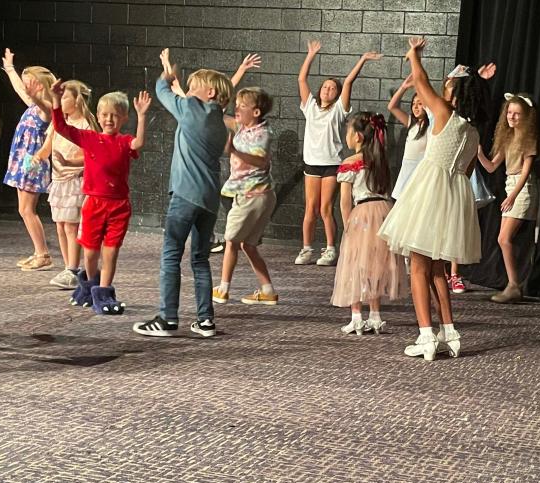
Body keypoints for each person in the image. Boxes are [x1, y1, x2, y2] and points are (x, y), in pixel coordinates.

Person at [378, 37, 491, 360]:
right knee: (437, 268)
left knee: (418, 267)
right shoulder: (473, 132)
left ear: (456, 93)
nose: (444, 89)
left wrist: (414, 55)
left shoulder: (444, 113)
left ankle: (426, 335)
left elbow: (422, 83)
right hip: (453, 194)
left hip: (430, 190)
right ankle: (450, 330)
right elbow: (467, 171)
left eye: (450, 85)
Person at [133, 49, 231, 337]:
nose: (189, 89)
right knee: (199, 259)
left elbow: (162, 90)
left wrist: (166, 73)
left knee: (171, 254)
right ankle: (205, 321)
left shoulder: (191, 110)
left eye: (195, 86)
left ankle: (167, 318)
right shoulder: (219, 124)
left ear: (209, 91)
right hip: (210, 199)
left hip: (185, 195)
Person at [51, 81, 150, 314]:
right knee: (91, 251)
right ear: (98, 115)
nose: (109, 119)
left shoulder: (125, 141)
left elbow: (139, 142)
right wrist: (56, 101)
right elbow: (61, 127)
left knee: (112, 250)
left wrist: (142, 116)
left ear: (124, 117)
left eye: (115, 115)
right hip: (94, 204)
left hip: (119, 206)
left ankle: (104, 292)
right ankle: (89, 285)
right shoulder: (90, 138)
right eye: (105, 114)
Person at [295, 40, 381, 266]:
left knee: (325, 208)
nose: (327, 89)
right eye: (325, 87)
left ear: (337, 93)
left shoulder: (339, 110)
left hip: (332, 163)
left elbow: (350, 80)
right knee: (310, 208)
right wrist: (311, 54)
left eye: (332, 88)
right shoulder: (310, 107)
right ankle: (306, 249)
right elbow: (301, 79)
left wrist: (362, 59)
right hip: (312, 163)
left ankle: (331, 248)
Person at [332, 112, 408, 334]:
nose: (346, 135)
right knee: (376, 263)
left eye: (348, 131)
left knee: (356, 262)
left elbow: (345, 201)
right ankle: (375, 315)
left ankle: (357, 316)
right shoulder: (379, 159)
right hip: (384, 212)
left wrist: (347, 226)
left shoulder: (351, 163)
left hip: (363, 213)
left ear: (357, 136)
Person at [212, 86, 279, 307]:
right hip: (256, 195)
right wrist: (186, 96)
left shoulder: (263, 133)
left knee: (231, 241)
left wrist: (233, 151)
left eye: (242, 105)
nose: (237, 108)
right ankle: (268, 291)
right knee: (248, 245)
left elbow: (260, 161)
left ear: (257, 112)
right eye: (237, 104)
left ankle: (222, 289)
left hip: (253, 195)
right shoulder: (243, 126)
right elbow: (221, 117)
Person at [33, 79, 98, 289]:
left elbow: (92, 156)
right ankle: (68, 267)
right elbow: (46, 148)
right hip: (58, 182)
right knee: (60, 226)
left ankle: (73, 269)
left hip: (75, 181)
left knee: (71, 226)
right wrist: (37, 158)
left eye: (65, 97)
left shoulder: (85, 126)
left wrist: (70, 162)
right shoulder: (57, 123)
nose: (61, 101)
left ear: (77, 100)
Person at [477, 93, 540, 303]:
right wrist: (477, 152)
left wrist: (513, 196)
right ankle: (513, 284)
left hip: (523, 188)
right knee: (503, 239)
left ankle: (514, 285)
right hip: (510, 186)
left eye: (517, 114)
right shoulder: (508, 137)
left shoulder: (528, 138)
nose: (512, 117)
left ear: (526, 116)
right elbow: (492, 166)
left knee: (504, 239)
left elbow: (526, 171)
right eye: (510, 113)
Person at [1, 48, 55, 271]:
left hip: (33, 164)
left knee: (26, 210)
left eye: (29, 84)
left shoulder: (46, 109)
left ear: (39, 85)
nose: (26, 88)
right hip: (22, 162)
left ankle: (43, 254)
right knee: (24, 209)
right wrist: (10, 69)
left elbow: (45, 107)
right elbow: (18, 89)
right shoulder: (33, 105)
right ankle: (38, 252)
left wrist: (35, 96)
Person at [387, 75, 429, 200]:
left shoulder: (433, 125)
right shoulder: (412, 123)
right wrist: (403, 87)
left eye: (420, 103)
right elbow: (392, 107)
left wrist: (423, 90)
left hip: (421, 171)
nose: (415, 107)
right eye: (413, 104)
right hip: (407, 169)